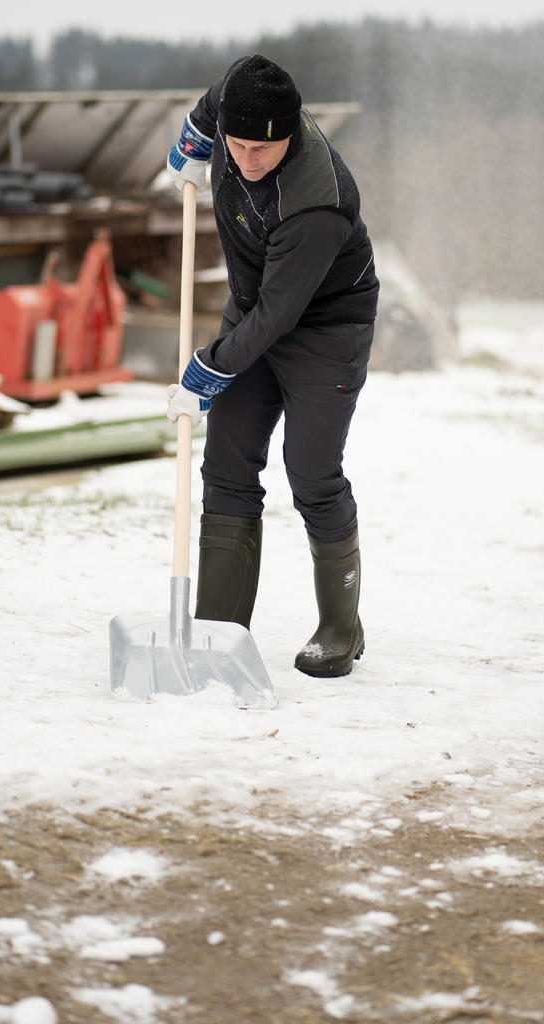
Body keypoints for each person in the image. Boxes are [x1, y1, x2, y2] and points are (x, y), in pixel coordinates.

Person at [166, 54, 379, 677]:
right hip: (257, 305)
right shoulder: (237, 111)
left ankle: (341, 627)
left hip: (324, 329)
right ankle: (218, 633)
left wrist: (208, 369)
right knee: (226, 462)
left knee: (311, 472)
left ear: (292, 130)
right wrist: (195, 135)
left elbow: (278, 317)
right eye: (236, 146)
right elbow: (218, 98)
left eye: (266, 149)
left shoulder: (318, 202)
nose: (249, 160)